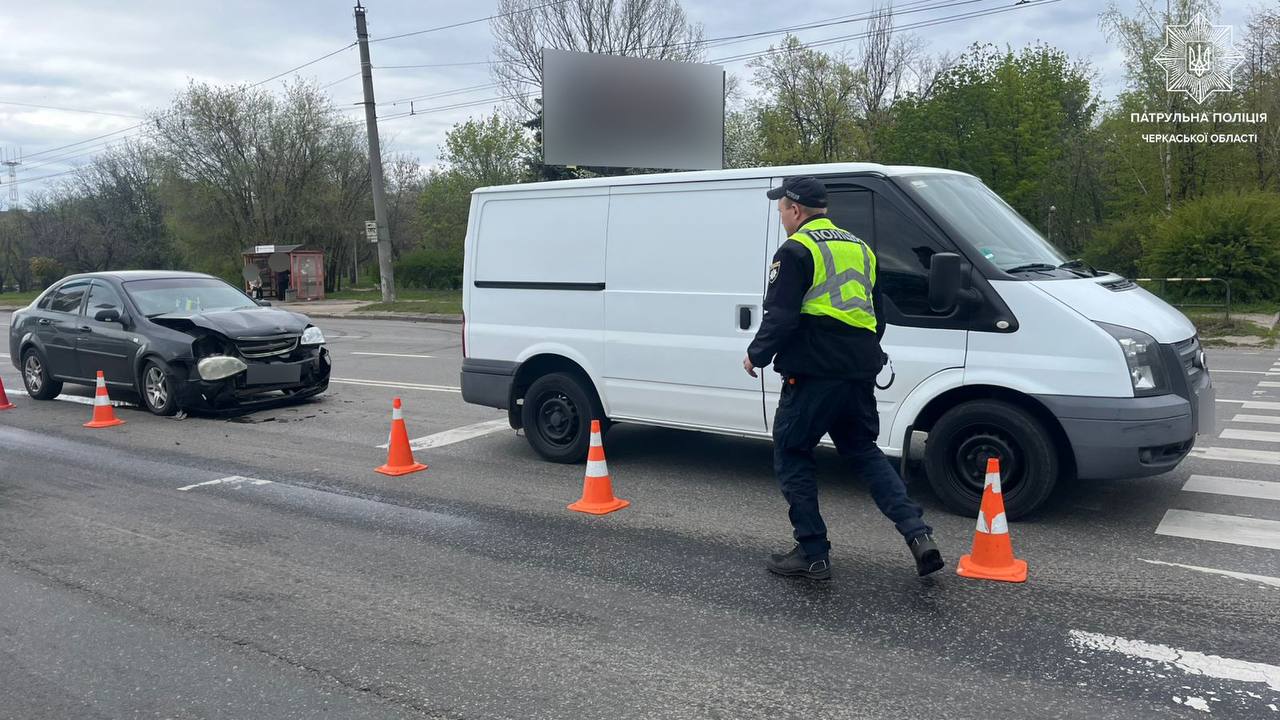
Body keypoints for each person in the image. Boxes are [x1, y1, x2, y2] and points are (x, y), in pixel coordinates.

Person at [744, 176, 943, 581]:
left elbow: (781, 315)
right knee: (863, 451)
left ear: (796, 210)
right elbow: (877, 315)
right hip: (858, 369)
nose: (781, 215)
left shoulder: (797, 249)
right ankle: (918, 534)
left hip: (813, 371)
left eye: (781, 208)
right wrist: (858, 355)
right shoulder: (861, 248)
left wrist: (756, 355)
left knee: (793, 452)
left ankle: (813, 552)